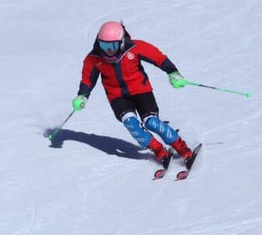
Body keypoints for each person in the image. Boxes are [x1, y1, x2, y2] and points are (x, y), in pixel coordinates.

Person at [72, 21, 194, 164]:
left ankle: (182, 148)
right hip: (117, 97)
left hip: (141, 91)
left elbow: (158, 58)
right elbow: (87, 79)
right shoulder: (94, 58)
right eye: (104, 46)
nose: (108, 50)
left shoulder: (135, 48)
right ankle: (159, 151)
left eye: (113, 46)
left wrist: (173, 73)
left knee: (152, 122)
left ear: (122, 41)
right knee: (131, 124)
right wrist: (82, 96)